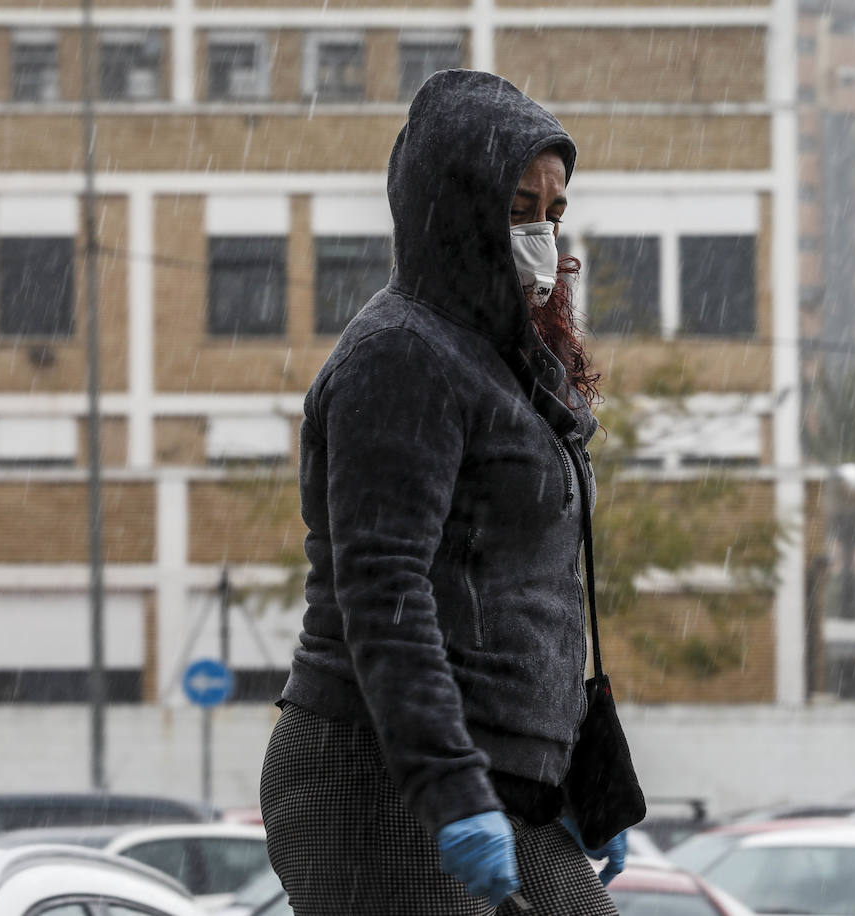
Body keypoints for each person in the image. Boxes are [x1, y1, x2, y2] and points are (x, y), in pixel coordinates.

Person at [259, 69, 629, 914]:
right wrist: (452, 791)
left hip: (505, 782)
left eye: (554, 211)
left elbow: (527, 592)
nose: (542, 233)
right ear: (454, 211)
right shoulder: (401, 357)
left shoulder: (502, 365)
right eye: (516, 209)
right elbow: (385, 591)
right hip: (377, 776)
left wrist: (580, 767)